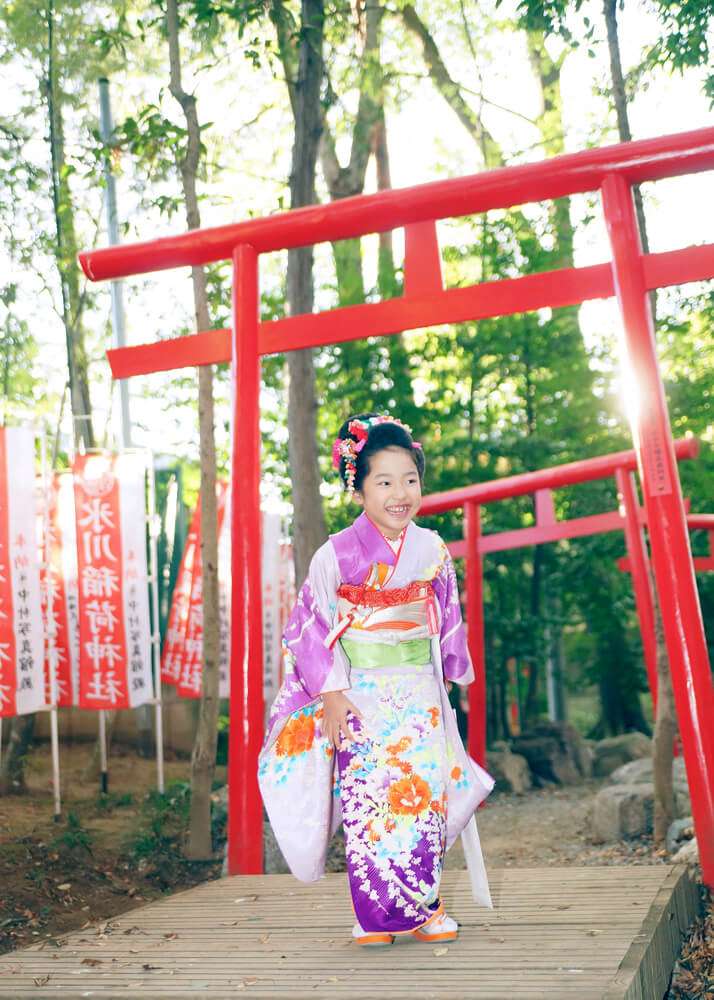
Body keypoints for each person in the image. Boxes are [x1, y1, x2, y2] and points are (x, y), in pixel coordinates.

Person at [258, 413, 495, 946]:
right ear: (359, 488)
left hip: (418, 692)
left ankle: (426, 907)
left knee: (422, 799)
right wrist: (333, 695)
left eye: (409, 479)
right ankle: (373, 917)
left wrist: (452, 670)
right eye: (384, 481)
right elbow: (308, 629)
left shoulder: (432, 549)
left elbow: (447, 615)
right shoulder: (334, 554)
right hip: (358, 695)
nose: (399, 493)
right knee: (370, 803)